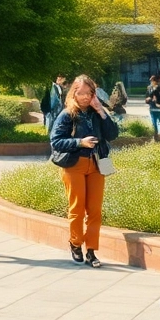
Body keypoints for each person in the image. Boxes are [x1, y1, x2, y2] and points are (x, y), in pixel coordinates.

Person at [51, 75, 119, 269]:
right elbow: (55, 141)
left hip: (97, 164)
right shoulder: (67, 114)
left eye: (89, 93)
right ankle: (75, 243)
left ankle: (91, 251)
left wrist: (100, 109)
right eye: (81, 93)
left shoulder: (97, 112)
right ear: (74, 93)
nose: (85, 97)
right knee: (77, 208)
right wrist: (79, 142)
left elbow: (113, 134)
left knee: (95, 210)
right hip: (75, 164)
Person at [145, 75, 160, 140]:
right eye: (151, 81)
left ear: (155, 81)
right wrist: (148, 100)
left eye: (152, 81)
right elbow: (147, 96)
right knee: (154, 122)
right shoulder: (149, 88)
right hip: (152, 107)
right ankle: (155, 134)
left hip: (159, 107)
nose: (151, 82)